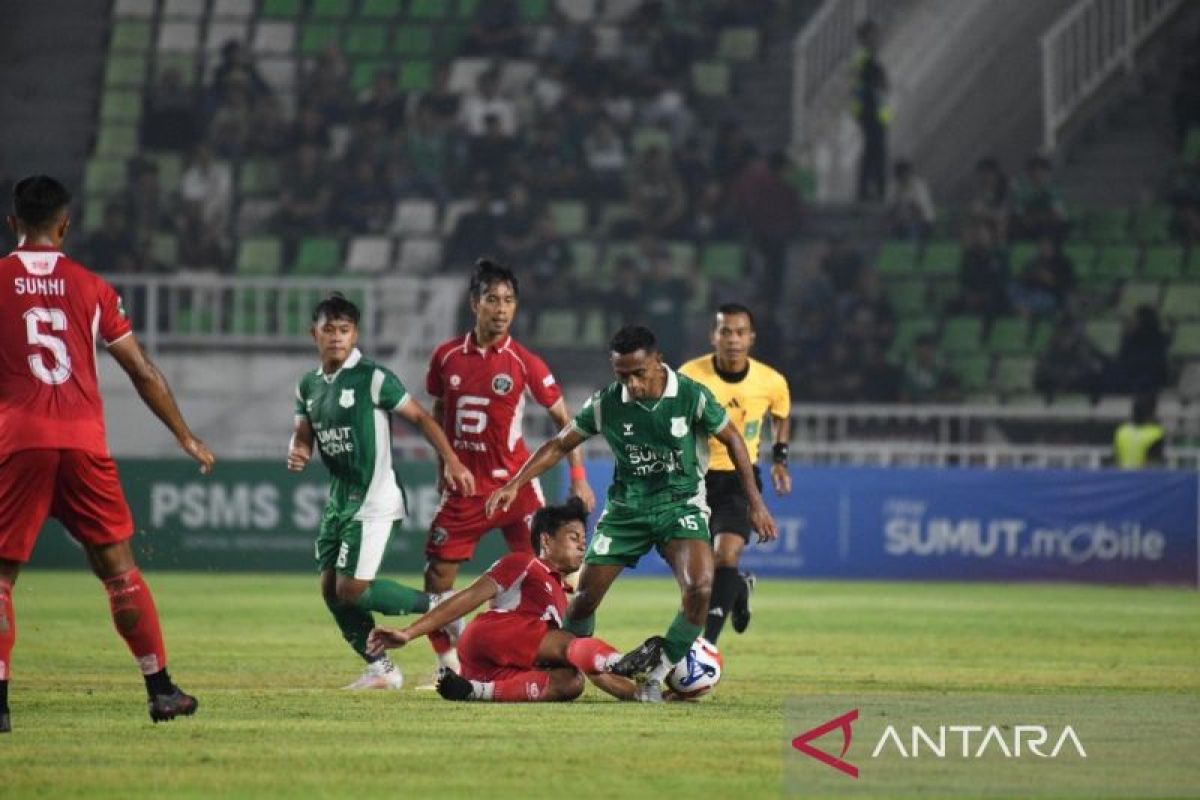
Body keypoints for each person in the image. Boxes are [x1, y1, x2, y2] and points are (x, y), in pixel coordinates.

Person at [0, 175, 216, 733]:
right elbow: (141, 370)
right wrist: (183, 434)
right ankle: (161, 689)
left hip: (18, 439)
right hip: (82, 441)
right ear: (65, 225)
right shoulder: (93, 288)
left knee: (1, 579)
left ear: (12, 223)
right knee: (119, 570)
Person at [484, 325, 777, 702]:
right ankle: (566, 665)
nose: (632, 385)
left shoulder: (689, 395)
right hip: (627, 510)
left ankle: (657, 674)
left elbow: (734, 438)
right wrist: (514, 483)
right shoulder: (608, 402)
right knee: (585, 597)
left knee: (700, 587)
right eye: (622, 376)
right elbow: (559, 444)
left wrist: (755, 502)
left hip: (680, 503)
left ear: (658, 363)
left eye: (639, 374)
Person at [287, 294, 474, 690]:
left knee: (351, 588)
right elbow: (304, 433)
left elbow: (422, 417)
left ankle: (441, 606)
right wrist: (298, 450)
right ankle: (380, 669)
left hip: (374, 499)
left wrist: (452, 461)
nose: (336, 337)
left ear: (355, 335)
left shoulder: (373, 377)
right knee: (330, 590)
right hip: (339, 500)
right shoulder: (308, 385)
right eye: (328, 330)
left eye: (344, 330)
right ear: (313, 334)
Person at [422, 260, 594, 684]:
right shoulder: (445, 357)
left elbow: (565, 423)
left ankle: (562, 653)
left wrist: (577, 477)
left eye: (509, 301)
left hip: (515, 489)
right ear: (474, 304)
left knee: (553, 575)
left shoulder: (524, 362)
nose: (501, 309)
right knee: (437, 579)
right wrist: (444, 463)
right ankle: (451, 667)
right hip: (464, 490)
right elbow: (440, 411)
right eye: (492, 300)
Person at [366, 499, 638, 702]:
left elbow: (588, 666)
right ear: (546, 540)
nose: (582, 545)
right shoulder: (525, 563)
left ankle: (476, 691)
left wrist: (641, 694)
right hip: (493, 633)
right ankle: (624, 660)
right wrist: (408, 633)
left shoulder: (562, 594)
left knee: (570, 682)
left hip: (492, 668)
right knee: (570, 644)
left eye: (584, 539)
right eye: (573, 537)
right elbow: (468, 597)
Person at [679, 305, 790, 646]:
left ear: (751, 338)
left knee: (726, 555)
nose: (733, 339)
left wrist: (779, 459)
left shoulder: (770, 381)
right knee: (700, 576)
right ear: (713, 336)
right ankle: (737, 587)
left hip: (739, 480)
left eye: (740, 332)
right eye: (725, 331)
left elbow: (781, 415)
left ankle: (707, 646)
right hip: (695, 478)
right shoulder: (689, 376)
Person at [851, 20, 889, 202]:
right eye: (873, 35)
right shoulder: (863, 59)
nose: (877, 39)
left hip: (877, 111)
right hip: (870, 111)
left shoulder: (872, 58)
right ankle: (874, 190)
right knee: (875, 151)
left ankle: (869, 190)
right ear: (864, 38)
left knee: (874, 150)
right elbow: (865, 85)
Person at [1113, 393, 1165, 468]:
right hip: (1144, 478)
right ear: (1151, 413)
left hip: (1123, 476)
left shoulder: (1122, 431)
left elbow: (1116, 460)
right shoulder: (1155, 433)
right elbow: (1154, 464)